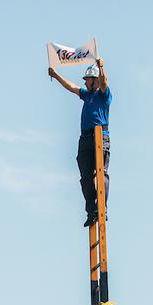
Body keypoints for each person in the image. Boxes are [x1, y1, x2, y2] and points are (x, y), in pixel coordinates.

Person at [48, 57, 111, 227]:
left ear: (96, 80)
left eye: (90, 79)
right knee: (85, 177)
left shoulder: (104, 94)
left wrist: (101, 67)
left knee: (101, 173)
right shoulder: (86, 95)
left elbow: (104, 83)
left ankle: (102, 207)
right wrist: (56, 75)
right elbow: (72, 87)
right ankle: (92, 210)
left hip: (100, 136)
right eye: (87, 80)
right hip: (85, 138)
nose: (87, 82)